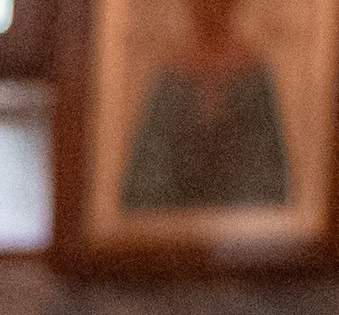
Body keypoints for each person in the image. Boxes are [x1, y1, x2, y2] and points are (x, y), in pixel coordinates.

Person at [121, 0, 291, 210]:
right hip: (171, 217)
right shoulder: (170, 75)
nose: (209, 9)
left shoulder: (254, 74)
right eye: (201, 4)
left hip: (242, 217)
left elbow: (268, 170)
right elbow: (148, 170)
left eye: (217, 4)